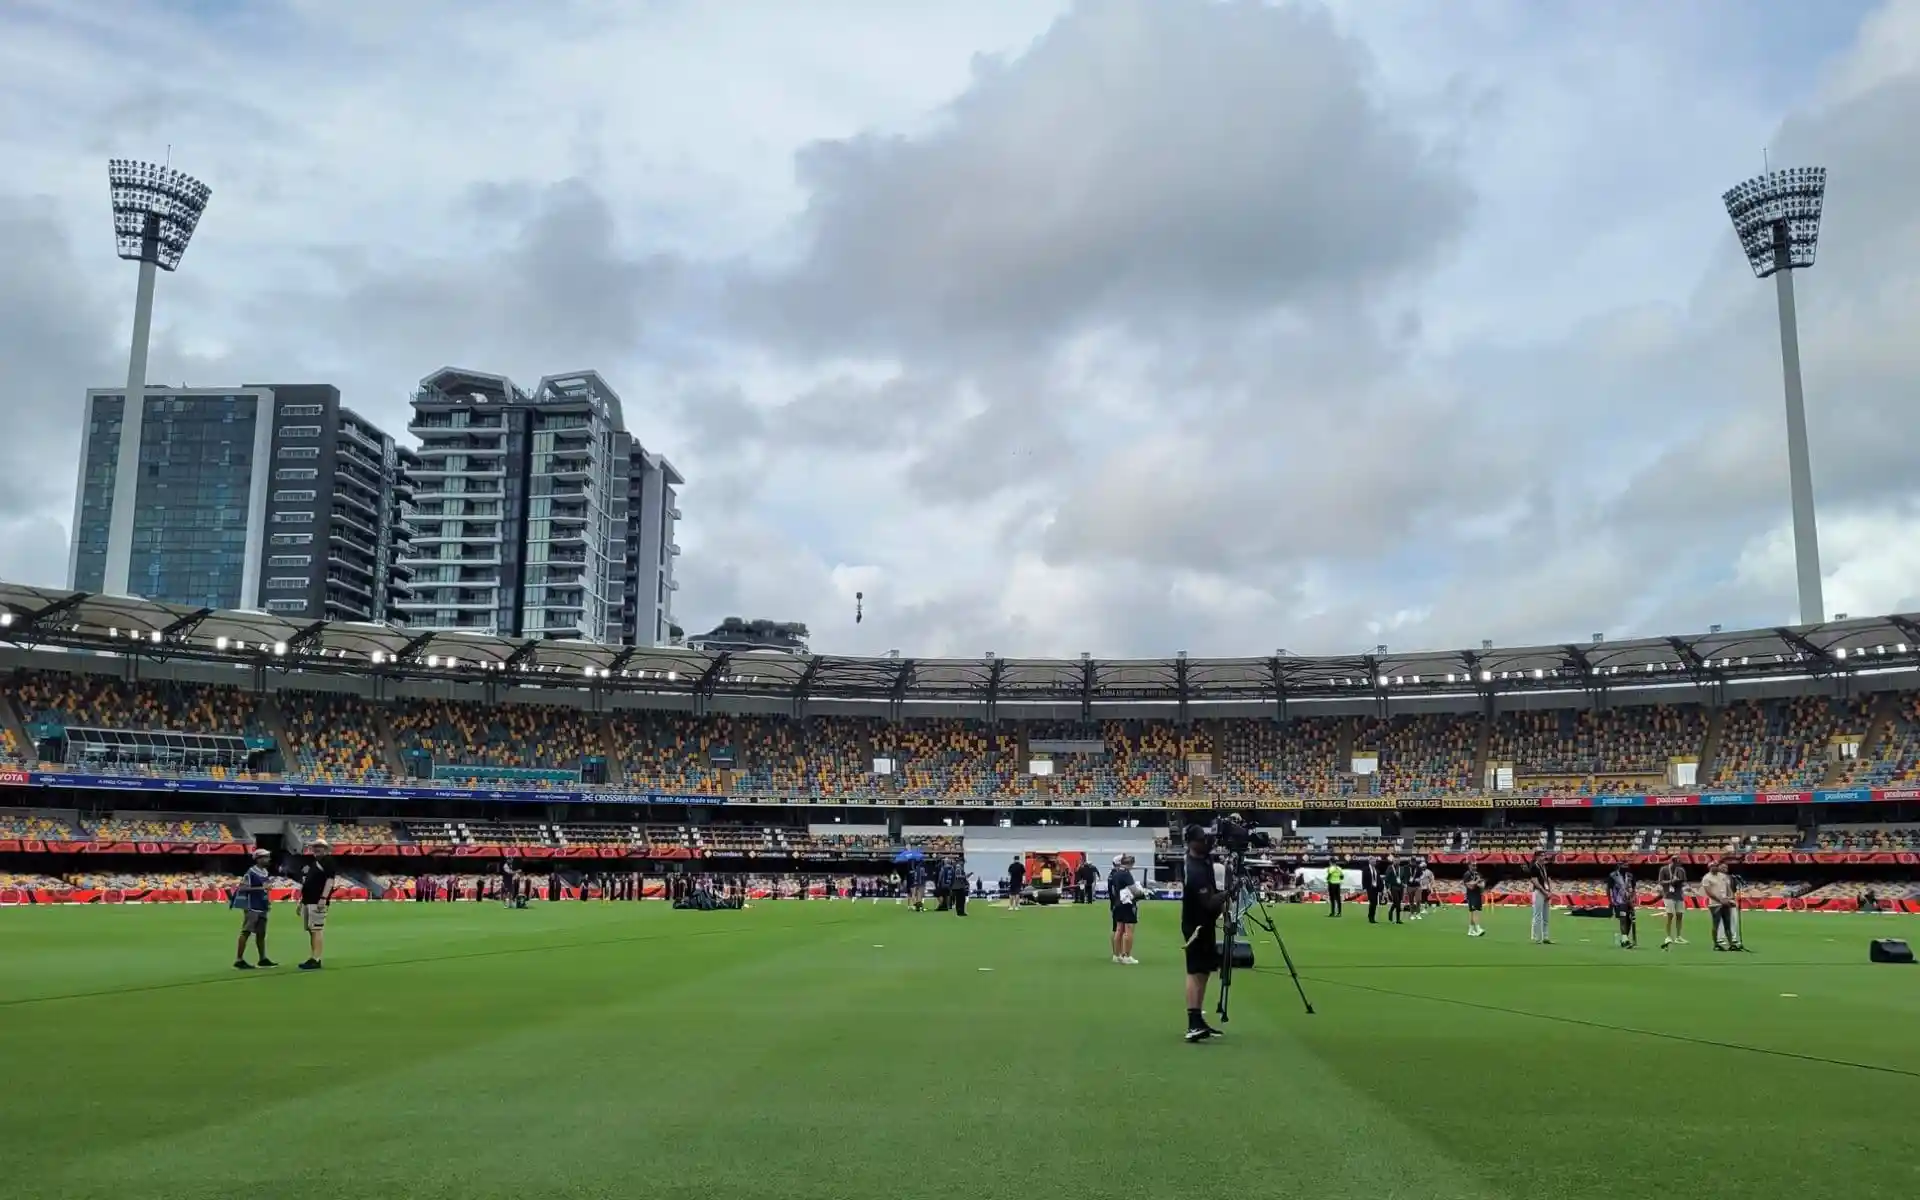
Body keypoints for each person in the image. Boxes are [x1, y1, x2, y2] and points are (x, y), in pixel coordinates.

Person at [1179, 824, 1229, 1042]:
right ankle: (1192, 1021)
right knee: (1195, 971)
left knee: (1204, 971)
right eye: (1201, 840)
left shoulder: (1204, 860)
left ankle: (1198, 1019)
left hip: (1206, 923)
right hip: (1195, 925)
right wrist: (1230, 892)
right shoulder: (1194, 869)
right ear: (1191, 843)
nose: (1206, 843)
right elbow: (1209, 903)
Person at [233, 847, 278, 969]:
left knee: (261, 933)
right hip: (251, 905)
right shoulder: (250, 872)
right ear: (258, 859)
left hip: (262, 905)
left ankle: (262, 958)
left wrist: (267, 901)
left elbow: (265, 888)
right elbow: (242, 888)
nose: (268, 859)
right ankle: (239, 959)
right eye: (265, 857)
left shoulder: (265, 872)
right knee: (246, 931)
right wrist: (261, 889)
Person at [297, 839, 335, 971]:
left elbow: (330, 880)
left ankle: (316, 958)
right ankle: (313, 956)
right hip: (308, 901)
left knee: (316, 929)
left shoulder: (328, 861)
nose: (317, 849)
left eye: (319, 847)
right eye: (315, 847)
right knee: (311, 929)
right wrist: (301, 902)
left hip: (317, 901)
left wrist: (323, 898)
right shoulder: (315, 863)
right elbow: (307, 884)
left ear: (325, 849)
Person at [1108, 854, 1140, 964]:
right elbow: (1134, 891)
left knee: (1118, 929)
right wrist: (1142, 893)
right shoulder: (1126, 874)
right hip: (1127, 904)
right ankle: (1127, 955)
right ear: (1130, 864)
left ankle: (1117, 955)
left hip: (1117, 903)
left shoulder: (1115, 874)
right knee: (1129, 930)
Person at [1701, 859, 1740, 950]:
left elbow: (1728, 888)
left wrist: (1730, 898)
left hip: (1725, 902)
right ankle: (1716, 944)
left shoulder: (1723, 876)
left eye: (1716, 865)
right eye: (1713, 866)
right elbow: (1709, 892)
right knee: (1716, 924)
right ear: (1709, 867)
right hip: (1715, 904)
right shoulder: (1706, 878)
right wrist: (1720, 900)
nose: (1715, 867)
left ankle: (1731, 944)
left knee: (1728, 924)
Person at [1657, 854, 1689, 948]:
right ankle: (1668, 936)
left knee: (1680, 915)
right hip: (1668, 895)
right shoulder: (1664, 869)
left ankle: (1678, 936)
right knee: (1670, 915)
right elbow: (1661, 881)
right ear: (1673, 861)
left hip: (1679, 895)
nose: (1679, 864)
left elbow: (1684, 881)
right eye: (1678, 862)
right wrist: (1671, 881)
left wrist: (1679, 881)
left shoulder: (1681, 870)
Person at [1606, 862, 1637, 949]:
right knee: (1623, 919)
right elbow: (1608, 889)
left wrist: (1633, 899)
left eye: (1627, 866)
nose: (1626, 868)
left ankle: (1624, 939)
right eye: (1624, 866)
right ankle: (1625, 939)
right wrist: (1610, 901)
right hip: (1618, 901)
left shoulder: (1630, 875)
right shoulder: (1613, 875)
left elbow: (1634, 888)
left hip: (1629, 901)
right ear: (1619, 867)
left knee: (1629, 920)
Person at [1527, 849, 1553, 945]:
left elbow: (1547, 879)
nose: (1543, 857)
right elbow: (1534, 881)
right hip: (1538, 892)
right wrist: (1544, 891)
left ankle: (1545, 936)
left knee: (1546, 916)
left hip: (1546, 891)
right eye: (1541, 856)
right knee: (1537, 915)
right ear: (1537, 857)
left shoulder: (1544, 867)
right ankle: (1536, 937)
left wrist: (1549, 891)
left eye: (1544, 855)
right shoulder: (1534, 867)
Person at [1461, 860, 1487, 937]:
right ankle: (1478, 929)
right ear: (1469, 866)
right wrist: (1477, 882)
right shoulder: (1467, 874)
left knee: (1474, 912)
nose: (1475, 867)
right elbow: (1469, 886)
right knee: (1475, 911)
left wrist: (1478, 883)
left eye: (1475, 865)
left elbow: (1482, 885)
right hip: (1471, 895)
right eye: (1473, 865)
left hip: (1477, 894)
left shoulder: (1478, 874)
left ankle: (1470, 930)